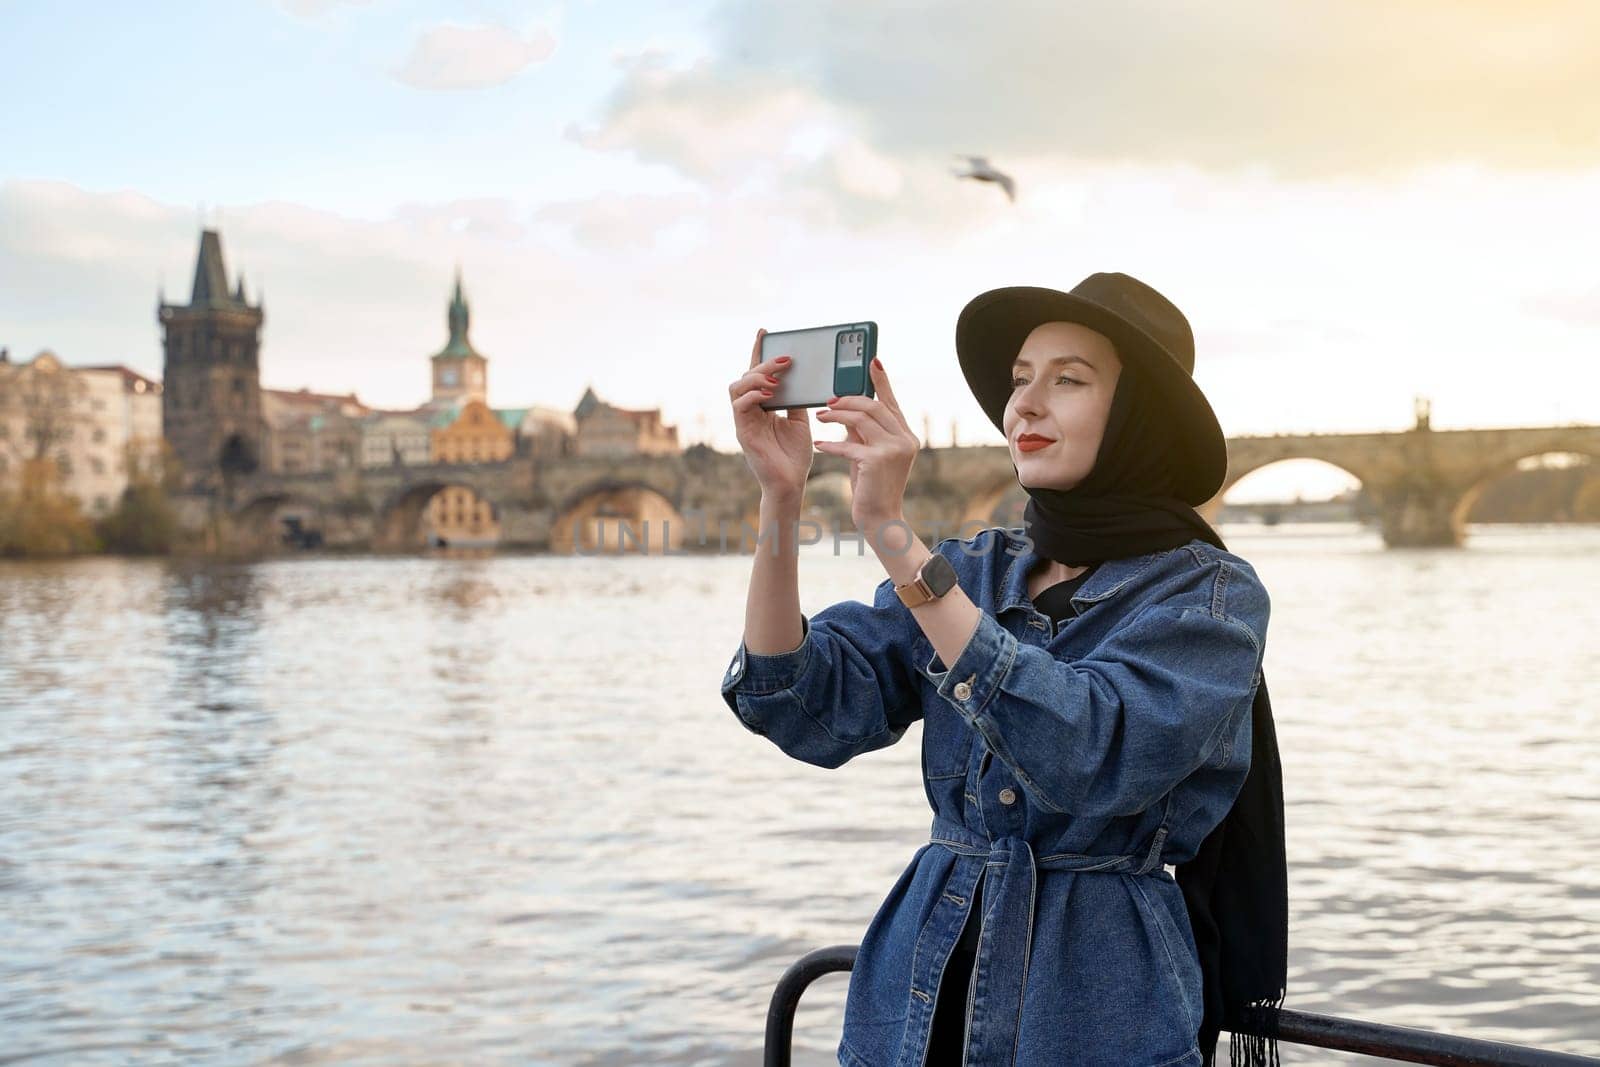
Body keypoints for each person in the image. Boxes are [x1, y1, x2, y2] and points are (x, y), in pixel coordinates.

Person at [721, 272, 1287, 1067]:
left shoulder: (1208, 596)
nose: (1025, 403)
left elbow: (1089, 752)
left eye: (1069, 379)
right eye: (1021, 379)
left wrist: (890, 531)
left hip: (1091, 1012)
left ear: (1137, 415)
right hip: (910, 1010)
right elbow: (799, 702)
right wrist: (780, 501)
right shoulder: (975, 569)